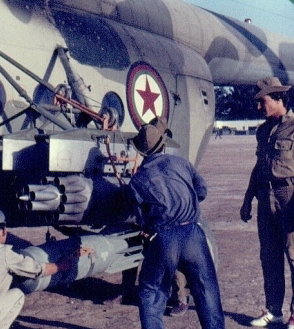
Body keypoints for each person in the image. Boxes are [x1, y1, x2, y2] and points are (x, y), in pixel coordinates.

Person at [125, 117, 224, 329]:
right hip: (192, 233)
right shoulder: (181, 163)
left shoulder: (137, 180)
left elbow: (138, 217)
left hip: (162, 239)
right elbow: (202, 191)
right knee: (207, 292)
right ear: (163, 143)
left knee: (151, 294)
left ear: (141, 152)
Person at [240, 76, 294, 328]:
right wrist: (247, 198)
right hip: (265, 197)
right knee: (269, 257)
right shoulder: (263, 130)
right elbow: (259, 166)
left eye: (262, 102)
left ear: (278, 99)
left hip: (289, 197)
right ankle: (274, 311)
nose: (258, 107)